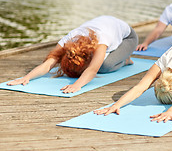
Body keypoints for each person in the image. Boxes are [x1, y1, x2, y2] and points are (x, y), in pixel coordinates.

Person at [7, 15, 138, 93]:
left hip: (128, 38)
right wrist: (27, 78)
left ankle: (126, 59)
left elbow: (92, 70)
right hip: (107, 29)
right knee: (98, 61)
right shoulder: (68, 39)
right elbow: (48, 64)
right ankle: (116, 54)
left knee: (104, 66)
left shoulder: (101, 40)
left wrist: (77, 85)